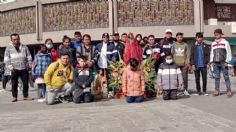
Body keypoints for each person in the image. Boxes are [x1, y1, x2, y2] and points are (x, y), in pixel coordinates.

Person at [4, 33, 33, 102]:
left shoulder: (24, 47)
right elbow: (6, 59)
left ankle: (25, 95)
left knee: (25, 83)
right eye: (14, 39)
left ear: (19, 39)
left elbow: (29, 56)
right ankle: (14, 97)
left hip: (24, 68)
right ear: (11, 40)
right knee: (14, 83)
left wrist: (29, 64)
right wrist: (10, 67)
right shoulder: (8, 48)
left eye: (17, 39)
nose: (16, 40)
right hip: (14, 69)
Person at [210, 29, 232, 97]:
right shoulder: (213, 43)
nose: (216, 36)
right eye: (215, 34)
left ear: (221, 34)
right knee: (216, 77)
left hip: (223, 62)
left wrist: (227, 61)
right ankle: (217, 90)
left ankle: (228, 90)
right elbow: (212, 53)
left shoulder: (225, 42)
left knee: (226, 77)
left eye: (218, 34)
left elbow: (229, 52)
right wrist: (211, 62)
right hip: (215, 63)